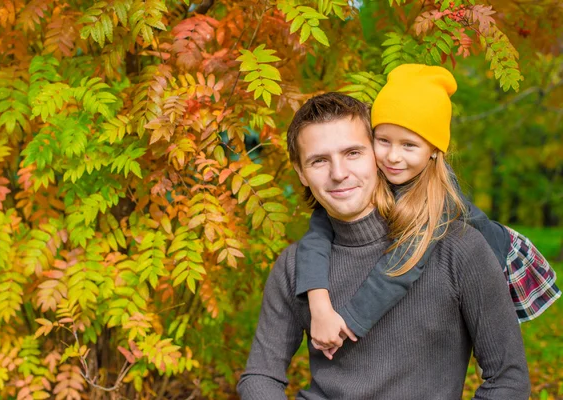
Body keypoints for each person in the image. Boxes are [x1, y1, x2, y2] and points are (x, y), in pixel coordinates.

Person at [237, 89, 531, 399]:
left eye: (352, 153)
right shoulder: (295, 265)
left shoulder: (458, 247)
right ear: (301, 173)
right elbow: (260, 377)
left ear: (376, 157)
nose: (339, 174)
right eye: (319, 161)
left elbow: (508, 381)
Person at [297, 64, 561, 358]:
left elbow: (401, 266)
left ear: (434, 149)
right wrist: (319, 303)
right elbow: (319, 227)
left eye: (409, 145)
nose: (393, 156)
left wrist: (347, 323)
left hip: (498, 255)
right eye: (383, 140)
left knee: (485, 343)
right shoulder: (373, 173)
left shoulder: (439, 198)